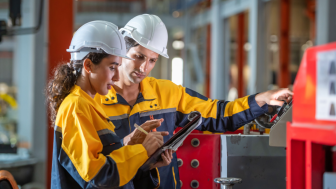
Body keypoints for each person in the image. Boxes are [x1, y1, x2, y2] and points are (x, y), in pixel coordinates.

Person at [95, 14, 293, 189]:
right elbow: (86, 164)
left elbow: (218, 114)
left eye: (152, 60)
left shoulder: (168, 93)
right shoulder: (94, 100)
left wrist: (262, 99)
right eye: (138, 57)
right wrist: (125, 147)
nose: (144, 67)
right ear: (121, 51)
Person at [46, 20, 173, 189]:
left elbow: (108, 163)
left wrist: (141, 159)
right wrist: (142, 151)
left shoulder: (89, 105)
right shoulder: (75, 107)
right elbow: (99, 177)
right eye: (112, 67)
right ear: (88, 65)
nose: (116, 77)